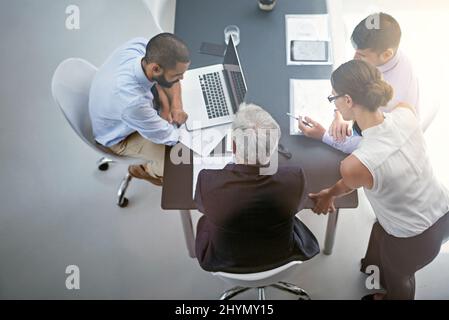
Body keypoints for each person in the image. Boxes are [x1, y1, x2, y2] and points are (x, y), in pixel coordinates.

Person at [301, 59, 449, 300]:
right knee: (380, 232)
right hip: (443, 210)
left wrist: (328, 195)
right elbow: (381, 145)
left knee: (399, 277)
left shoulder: (354, 165)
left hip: (413, 239)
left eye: (333, 99)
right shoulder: (405, 111)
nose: (334, 104)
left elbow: (347, 184)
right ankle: (372, 268)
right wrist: (326, 135)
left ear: (348, 101)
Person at [194, 103, 320, 273]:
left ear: (234, 146)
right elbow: (298, 206)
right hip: (281, 256)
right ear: (274, 147)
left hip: (227, 261)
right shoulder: (295, 178)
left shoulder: (207, 181)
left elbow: (203, 209)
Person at [301, 13, 420, 154]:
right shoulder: (381, 49)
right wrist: (339, 113)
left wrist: (324, 136)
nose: (354, 58)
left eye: (361, 55)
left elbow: (375, 147)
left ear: (387, 54)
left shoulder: (393, 98)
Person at [89, 33, 190, 186]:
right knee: (178, 169)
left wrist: (176, 106)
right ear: (155, 69)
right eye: (177, 75)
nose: (182, 79)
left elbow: (167, 81)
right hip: (121, 137)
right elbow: (169, 136)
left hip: (127, 110)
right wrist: (198, 136)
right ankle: (141, 170)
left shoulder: (142, 47)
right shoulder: (132, 102)